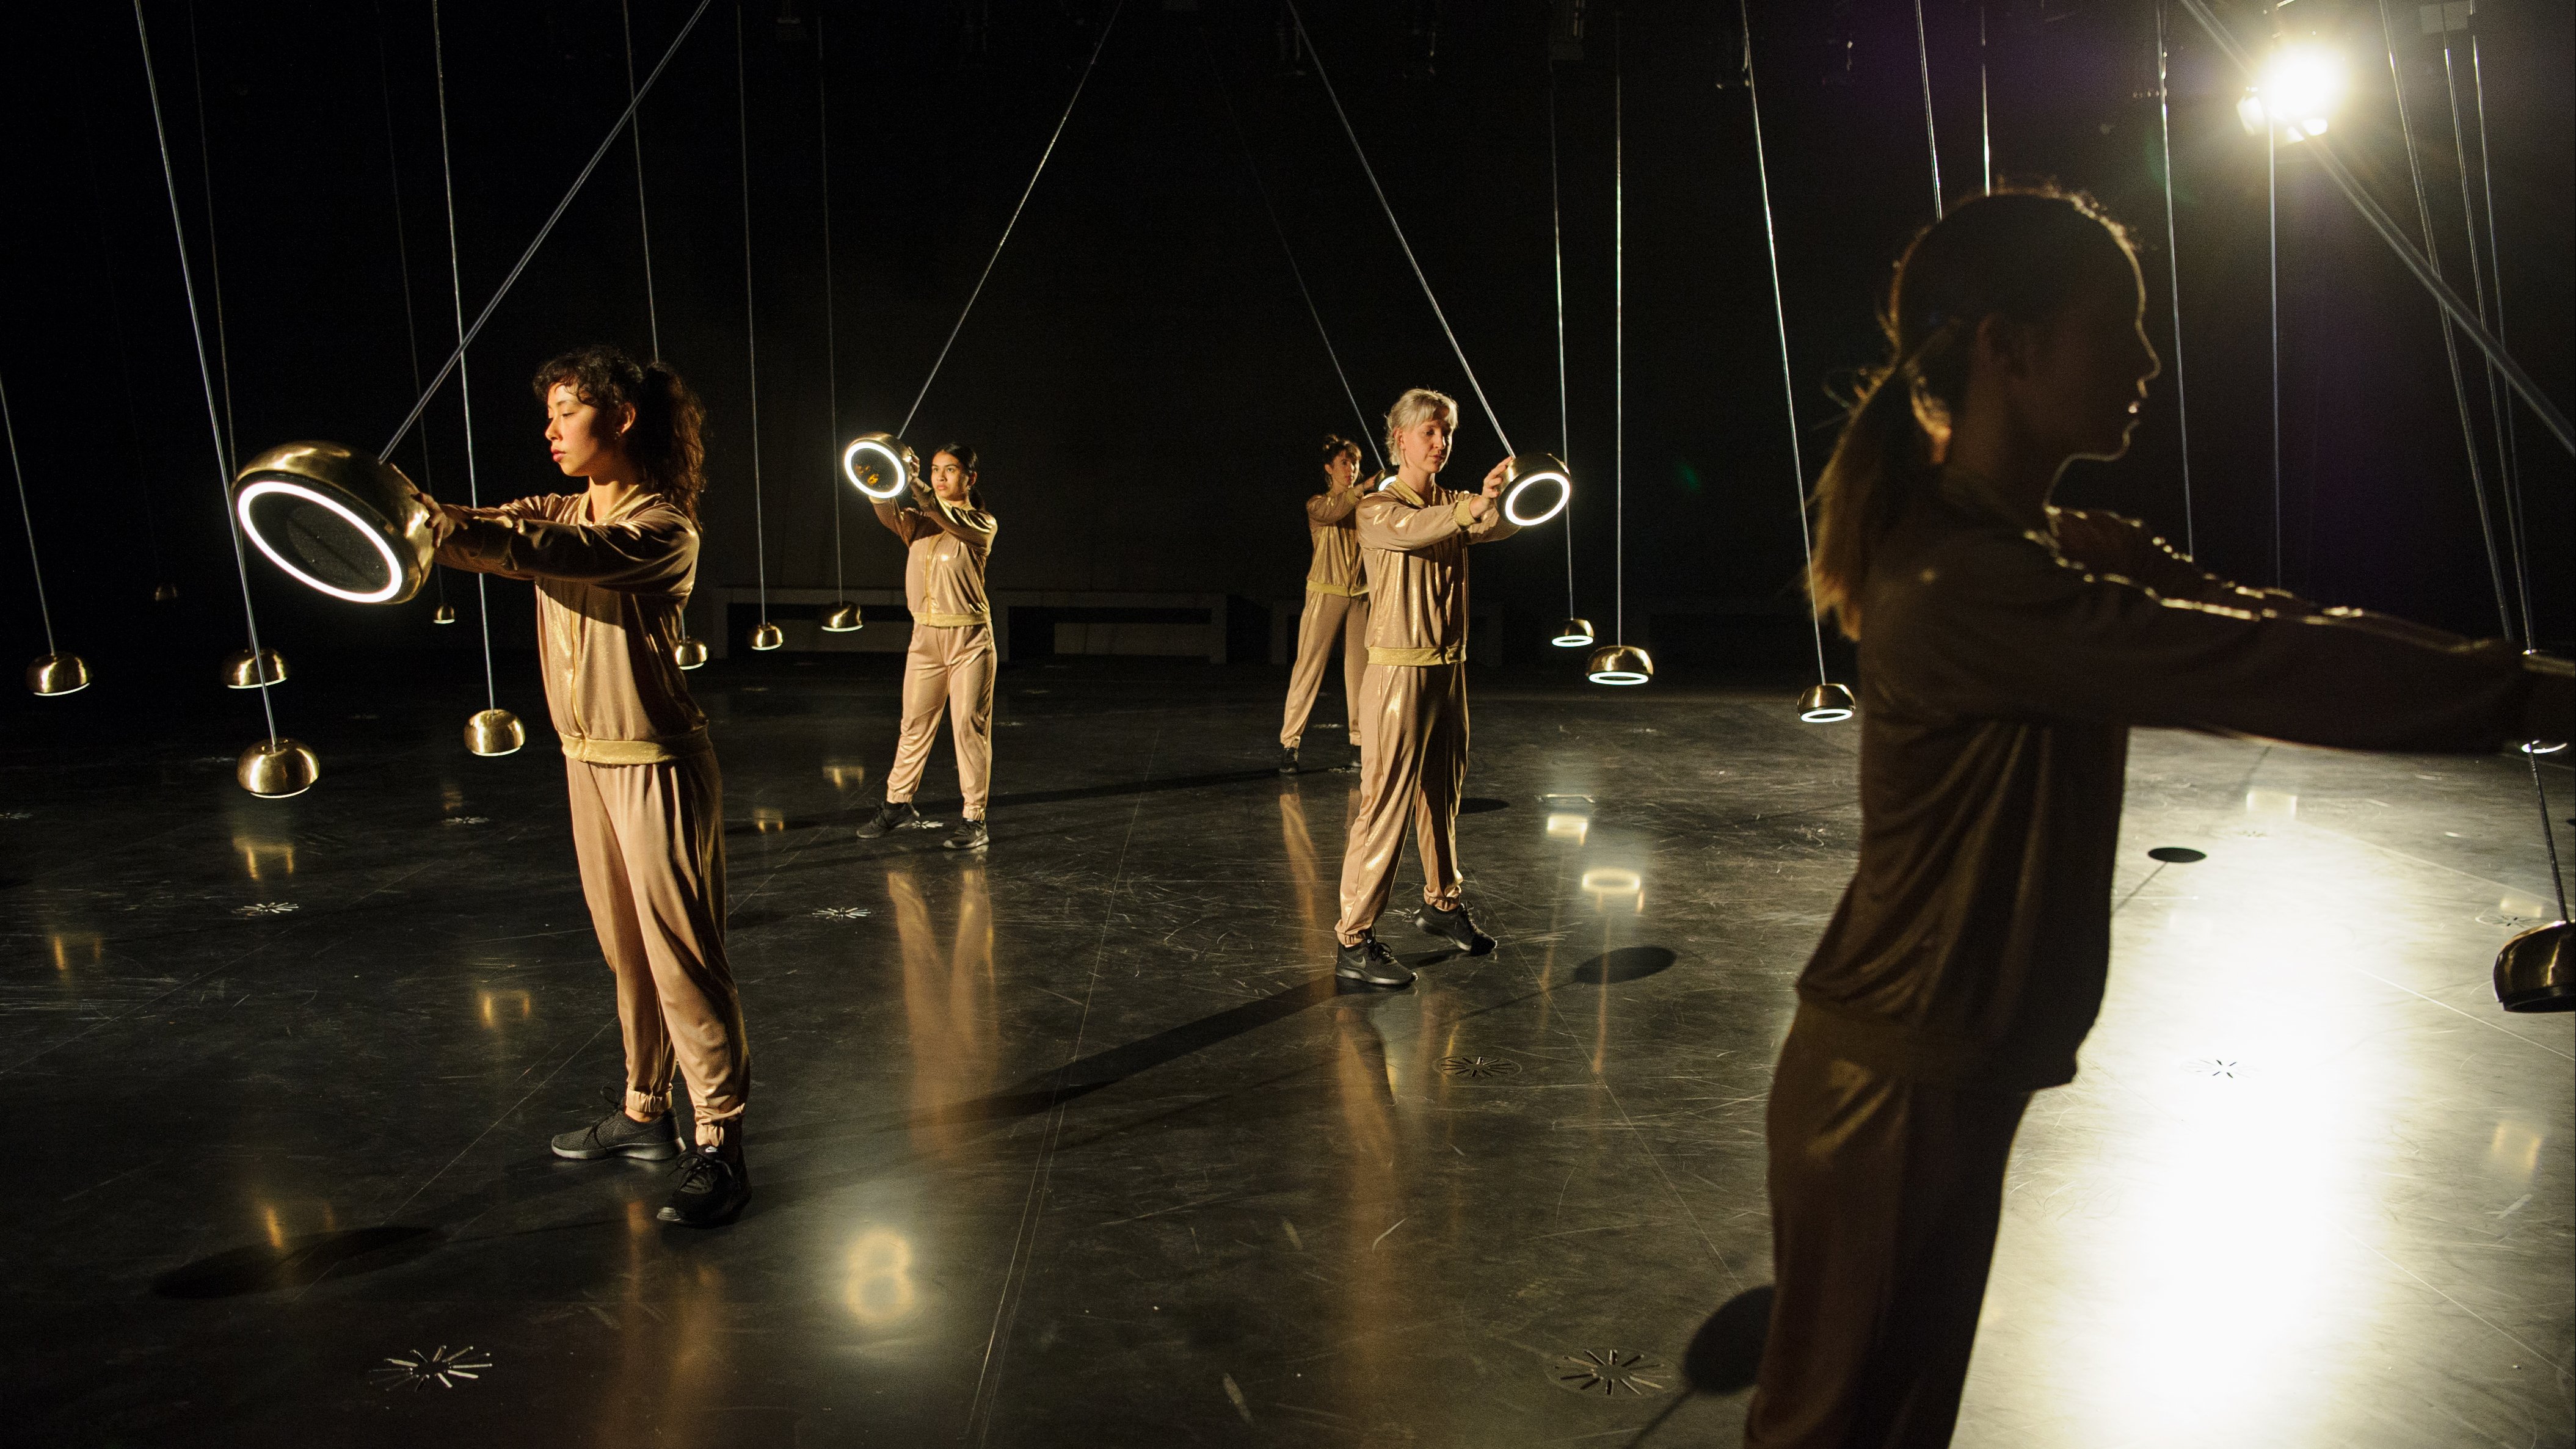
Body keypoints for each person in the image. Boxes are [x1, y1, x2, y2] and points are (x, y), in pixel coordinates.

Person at [1745, 189, 2572, 1448]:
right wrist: (2525, 690)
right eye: (2114, 326)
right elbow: (2255, 671)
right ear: (2008, 351)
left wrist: (2525, 679)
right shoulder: (1967, 579)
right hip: (1890, 1087)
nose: (2146, 360)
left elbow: (2273, 629)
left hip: (1932, 1076)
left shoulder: (2044, 542)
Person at [421, 344, 753, 1229]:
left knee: (684, 956)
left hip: (654, 762)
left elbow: (535, 548)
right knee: (627, 955)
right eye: (552, 411)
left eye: (569, 409)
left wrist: (438, 527)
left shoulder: (661, 527)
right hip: (584, 760)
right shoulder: (559, 505)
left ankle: (719, 1138)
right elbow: (489, 523)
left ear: (624, 417)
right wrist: (409, 514)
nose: (551, 428)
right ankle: (647, 1112)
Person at [1330, 388, 1521, 989]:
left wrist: (1504, 494)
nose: (1440, 443)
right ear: (1401, 440)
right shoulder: (1379, 507)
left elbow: (1499, 524)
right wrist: (1474, 509)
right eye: (1430, 433)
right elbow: (1419, 529)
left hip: (1447, 670)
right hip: (1397, 674)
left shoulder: (1453, 501)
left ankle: (1441, 904)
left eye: (1447, 434)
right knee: (1383, 807)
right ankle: (1354, 940)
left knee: (1440, 797)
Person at [856, 445, 999, 851]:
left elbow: (947, 515)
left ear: (969, 478)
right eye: (935, 470)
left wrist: (916, 483)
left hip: (970, 640)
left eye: (949, 471)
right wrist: (885, 469)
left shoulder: (981, 524)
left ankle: (974, 818)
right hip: (925, 640)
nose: (940, 477)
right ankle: (897, 804)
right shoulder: (917, 523)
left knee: (969, 728)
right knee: (913, 725)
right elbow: (885, 506)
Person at [1278, 435, 1373, 774]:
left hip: (1360, 595)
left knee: (1360, 674)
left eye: (1355, 463)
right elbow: (1335, 510)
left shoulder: (1365, 505)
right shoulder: (1318, 504)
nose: (1352, 469)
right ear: (1329, 469)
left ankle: (1360, 745)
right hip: (1325, 592)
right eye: (1345, 463)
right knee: (1309, 666)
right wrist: (1364, 489)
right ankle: (1290, 744)